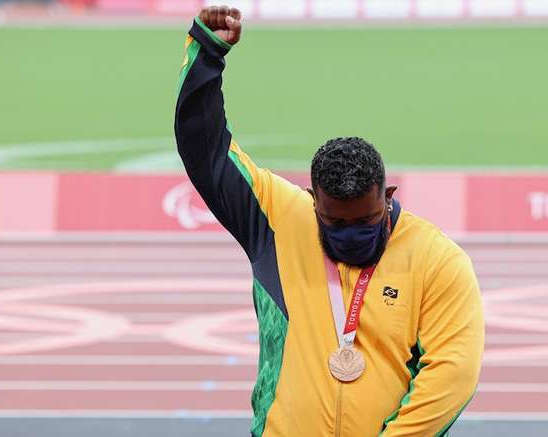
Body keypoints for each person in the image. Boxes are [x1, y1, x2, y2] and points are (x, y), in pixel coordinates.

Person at [174, 6, 484, 437]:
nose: (350, 233)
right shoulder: (278, 221)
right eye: (333, 223)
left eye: (366, 220)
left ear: (389, 197)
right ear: (311, 201)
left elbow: (453, 374)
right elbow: (206, 152)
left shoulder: (436, 259)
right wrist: (208, 55)